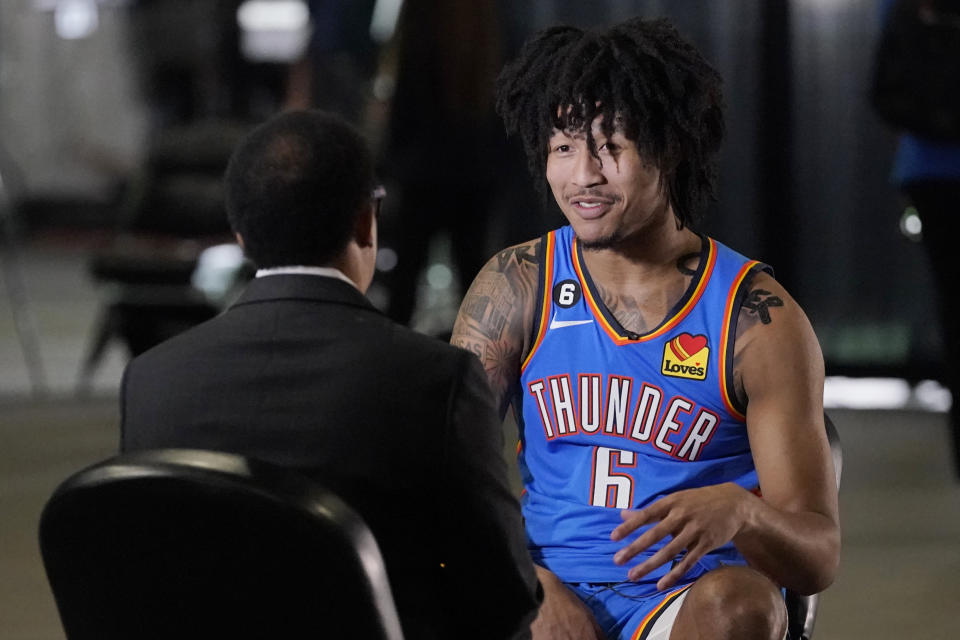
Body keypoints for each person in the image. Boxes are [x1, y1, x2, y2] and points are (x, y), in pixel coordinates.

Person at [451, 17, 840, 640]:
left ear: (671, 147)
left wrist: (744, 513)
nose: (583, 176)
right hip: (544, 590)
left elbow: (818, 556)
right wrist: (530, 581)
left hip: (682, 605)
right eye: (563, 147)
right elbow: (444, 474)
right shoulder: (518, 283)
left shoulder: (756, 318)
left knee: (742, 603)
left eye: (610, 148)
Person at [120, 110, 541, 639]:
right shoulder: (436, 380)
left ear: (241, 236)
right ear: (367, 220)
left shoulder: (150, 380)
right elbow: (500, 597)